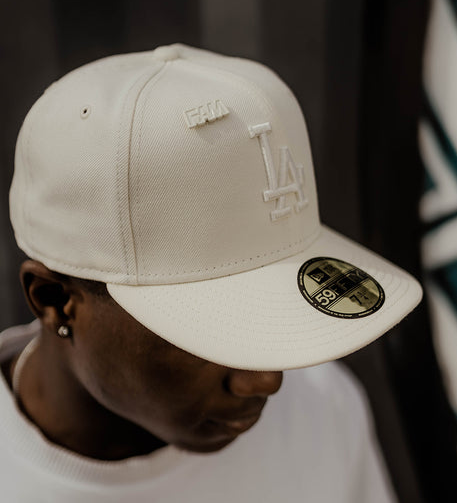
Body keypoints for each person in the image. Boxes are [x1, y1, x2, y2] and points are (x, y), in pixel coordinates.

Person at [1, 43, 422, 502]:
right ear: (55, 301)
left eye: (276, 308)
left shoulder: (321, 407)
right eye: (210, 329)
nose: (267, 381)